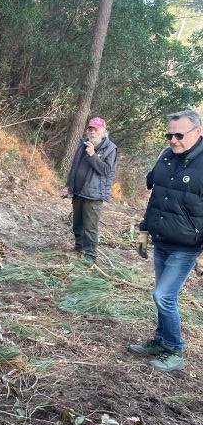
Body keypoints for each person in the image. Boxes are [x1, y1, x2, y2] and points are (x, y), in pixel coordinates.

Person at [128, 109, 203, 372]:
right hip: (162, 240)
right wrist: (144, 229)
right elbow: (156, 198)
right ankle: (160, 340)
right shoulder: (166, 158)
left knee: (163, 295)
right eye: (169, 134)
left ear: (198, 132)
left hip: (187, 245)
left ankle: (175, 349)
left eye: (179, 134)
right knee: (162, 294)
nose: (173, 140)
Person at [61, 116, 118, 265]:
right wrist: (68, 185)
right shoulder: (83, 143)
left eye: (96, 129)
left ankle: (90, 257)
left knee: (90, 228)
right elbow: (75, 166)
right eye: (90, 129)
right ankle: (79, 248)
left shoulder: (110, 148)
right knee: (77, 224)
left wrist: (93, 155)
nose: (92, 132)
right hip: (79, 191)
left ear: (103, 131)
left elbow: (106, 170)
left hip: (94, 195)